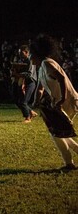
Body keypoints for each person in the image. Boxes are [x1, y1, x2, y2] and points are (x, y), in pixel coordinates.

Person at [29, 34, 78, 170]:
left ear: (37, 54)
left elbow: (61, 78)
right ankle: (70, 161)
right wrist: (35, 102)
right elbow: (39, 89)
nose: (29, 57)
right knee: (59, 132)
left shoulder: (47, 63)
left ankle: (69, 163)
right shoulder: (41, 68)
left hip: (68, 101)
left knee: (57, 132)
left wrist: (62, 98)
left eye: (31, 54)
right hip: (61, 103)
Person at [12, 45, 39, 122]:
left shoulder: (31, 60)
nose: (20, 55)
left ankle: (28, 117)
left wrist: (18, 74)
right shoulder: (21, 60)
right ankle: (31, 112)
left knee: (24, 101)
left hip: (30, 82)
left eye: (21, 53)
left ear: (26, 52)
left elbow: (29, 74)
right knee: (18, 101)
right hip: (22, 82)